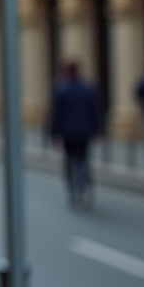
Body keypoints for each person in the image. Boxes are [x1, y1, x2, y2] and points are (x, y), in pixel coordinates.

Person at [48, 58, 103, 208]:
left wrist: (53, 133)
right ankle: (83, 185)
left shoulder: (61, 89)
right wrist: (97, 130)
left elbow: (55, 114)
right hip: (84, 131)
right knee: (83, 158)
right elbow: (95, 110)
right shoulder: (88, 88)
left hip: (67, 133)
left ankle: (73, 190)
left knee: (69, 160)